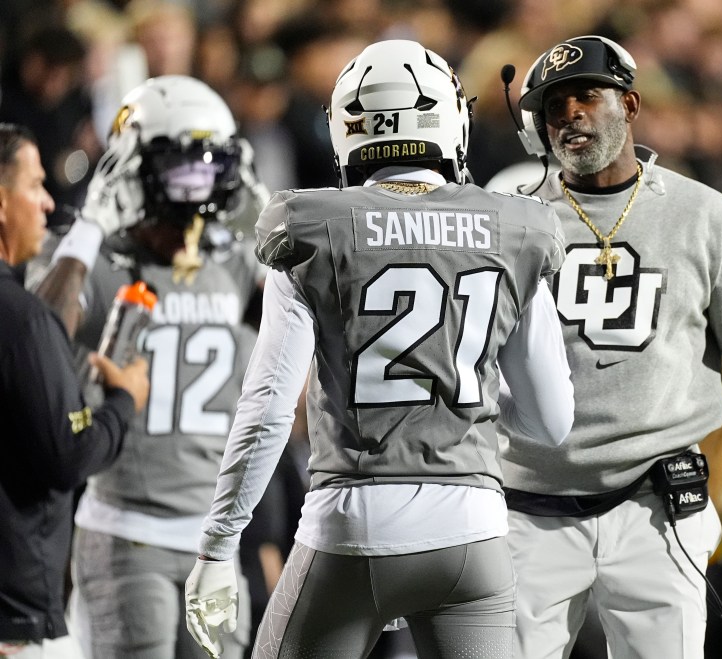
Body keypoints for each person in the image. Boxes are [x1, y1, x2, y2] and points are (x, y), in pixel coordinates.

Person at [183, 39, 574, 659]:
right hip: (472, 532)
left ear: (347, 129)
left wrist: (219, 543)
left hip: (352, 523)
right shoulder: (516, 227)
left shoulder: (311, 227)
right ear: (449, 119)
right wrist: (459, 387)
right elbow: (552, 423)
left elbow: (267, 409)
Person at [498, 35, 722, 659]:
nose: (570, 114)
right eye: (554, 105)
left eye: (587, 95)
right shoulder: (510, 221)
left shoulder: (704, 214)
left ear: (630, 105)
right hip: (528, 509)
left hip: (657, 506)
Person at [31, 75, 269, 659]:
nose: (196, 183)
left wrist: (276, 233)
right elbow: (31, 336)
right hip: (128, 530)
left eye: (210, 165)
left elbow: (315, 322)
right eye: (179, 166)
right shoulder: (101, 262)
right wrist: (89, 227)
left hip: (216, 539)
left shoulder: (234, 262)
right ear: (133, 167)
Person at [0, 123, 148, 656]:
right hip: (15, 619)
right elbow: (67, 454)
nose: (45, 203)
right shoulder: (25, 320)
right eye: (34, 185)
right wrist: (121, 401)